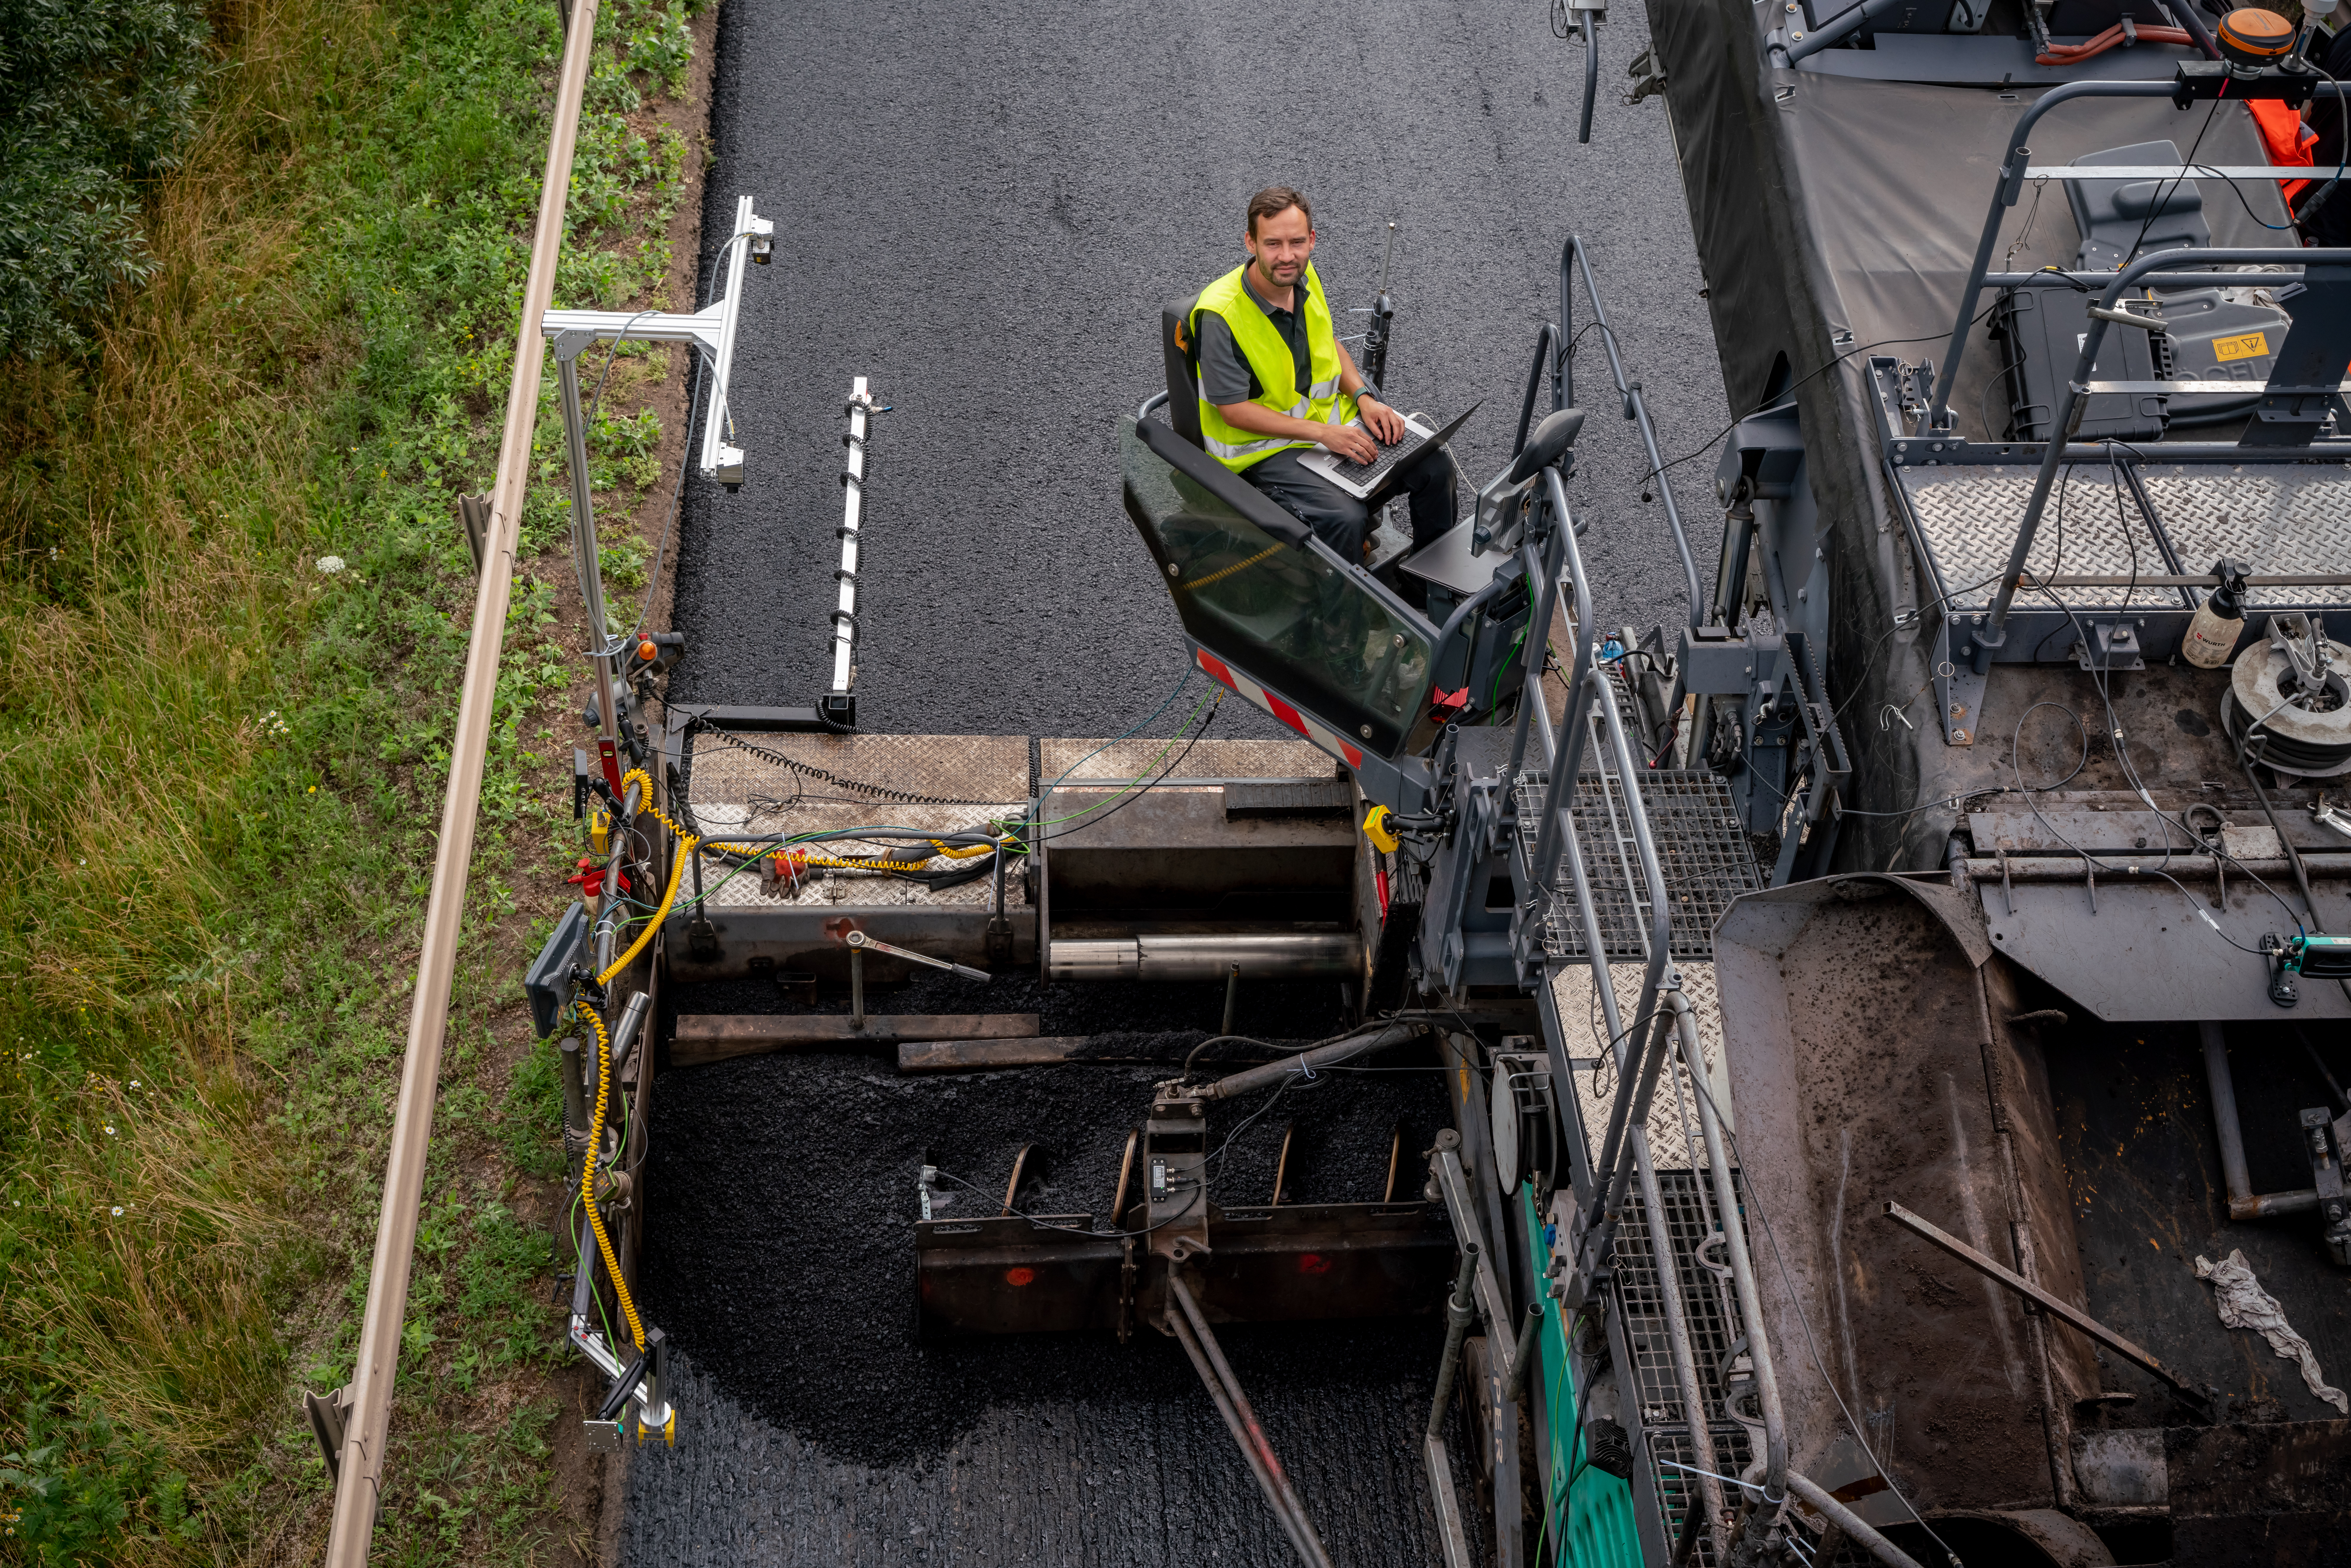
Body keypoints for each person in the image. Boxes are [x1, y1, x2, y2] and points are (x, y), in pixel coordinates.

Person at [1186, 186, 1456, 561]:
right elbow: (1232, 411)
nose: (1286, 256)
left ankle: (1428, 591)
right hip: (1262, 453)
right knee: (1345, 518)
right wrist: (1324, 433)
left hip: (1327, 429)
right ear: (1250, 242)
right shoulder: (1220, 315)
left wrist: (1363, 398)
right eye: (1272, 244)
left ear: (1311, 240)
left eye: (1296, 242)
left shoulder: (1303, 275)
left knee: (1434, 466)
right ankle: (1341, 617)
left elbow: (1326, 342)